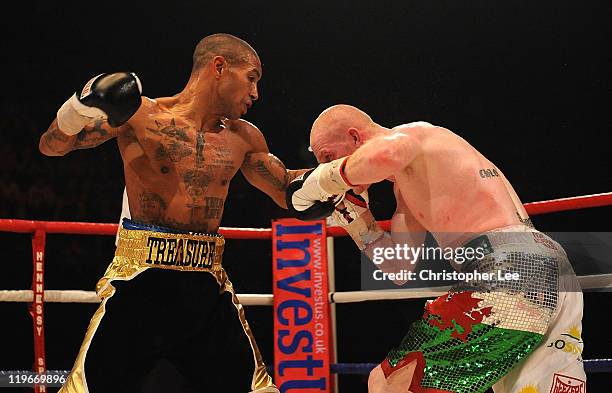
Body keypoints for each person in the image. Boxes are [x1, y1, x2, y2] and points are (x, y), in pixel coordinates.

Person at [39, 33, 305, 393]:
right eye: (252, 78)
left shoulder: (245, 137)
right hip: (140, 280)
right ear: (219, 67)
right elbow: (53, 146)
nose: (255, 93)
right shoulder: (141, 115)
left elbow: (290, 193)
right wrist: (77, 107)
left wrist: (341, 173)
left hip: (206, 285)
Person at [286, 105, 585, 393]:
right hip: (548, 272)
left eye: (328, 157)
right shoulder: (408, 190)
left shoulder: (414, 135)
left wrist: (320, 182)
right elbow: (398, 267)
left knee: (389, 383)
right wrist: (357, 220)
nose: (327, 167)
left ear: (355, 137)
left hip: (508, 271)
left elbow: (387, 152)